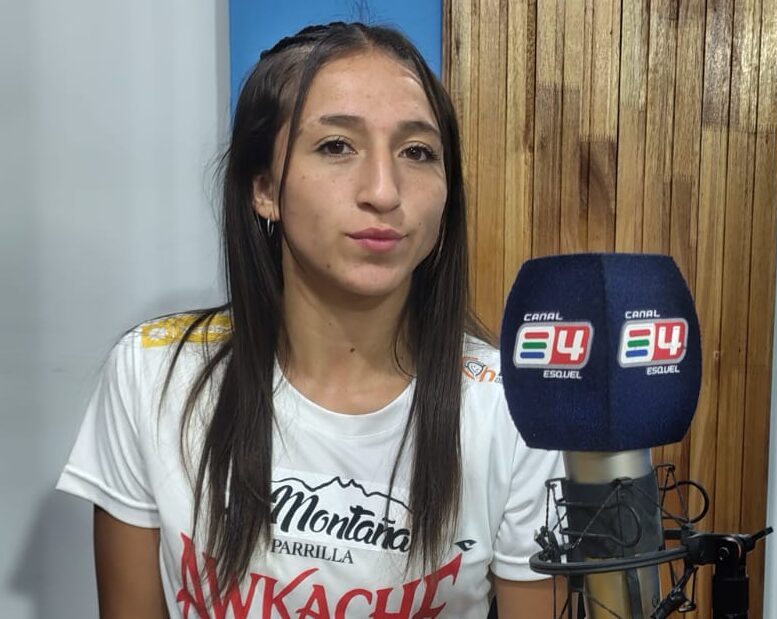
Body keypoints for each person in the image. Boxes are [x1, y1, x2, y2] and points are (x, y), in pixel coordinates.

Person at [56, 22, 565, 619]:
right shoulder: (152, 374)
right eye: (336, 146)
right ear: (264, 188)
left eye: (417, 152)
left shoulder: (514, 408)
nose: (384, 191)